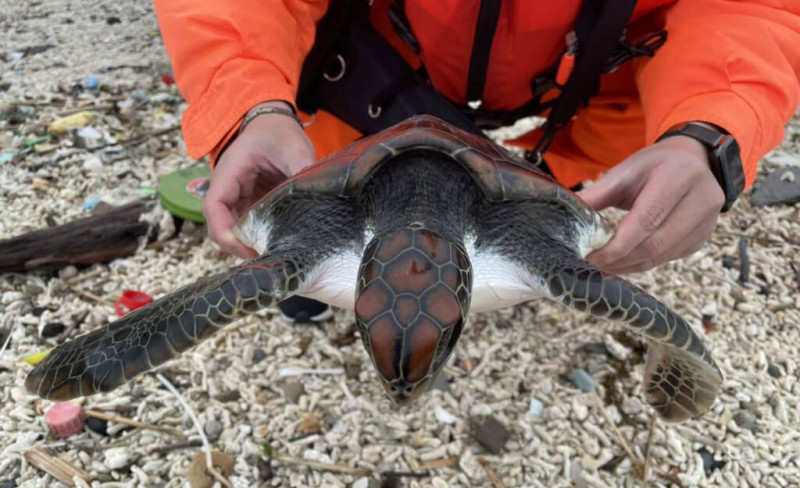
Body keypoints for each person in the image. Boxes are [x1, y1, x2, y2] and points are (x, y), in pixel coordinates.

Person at [153, 0, 800, 322]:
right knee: (300, 193)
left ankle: (556, 211)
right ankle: (313, 260)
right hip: (370, 74)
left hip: (582, 72)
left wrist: (709, 136)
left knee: (642, 164)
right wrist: (250, 105)